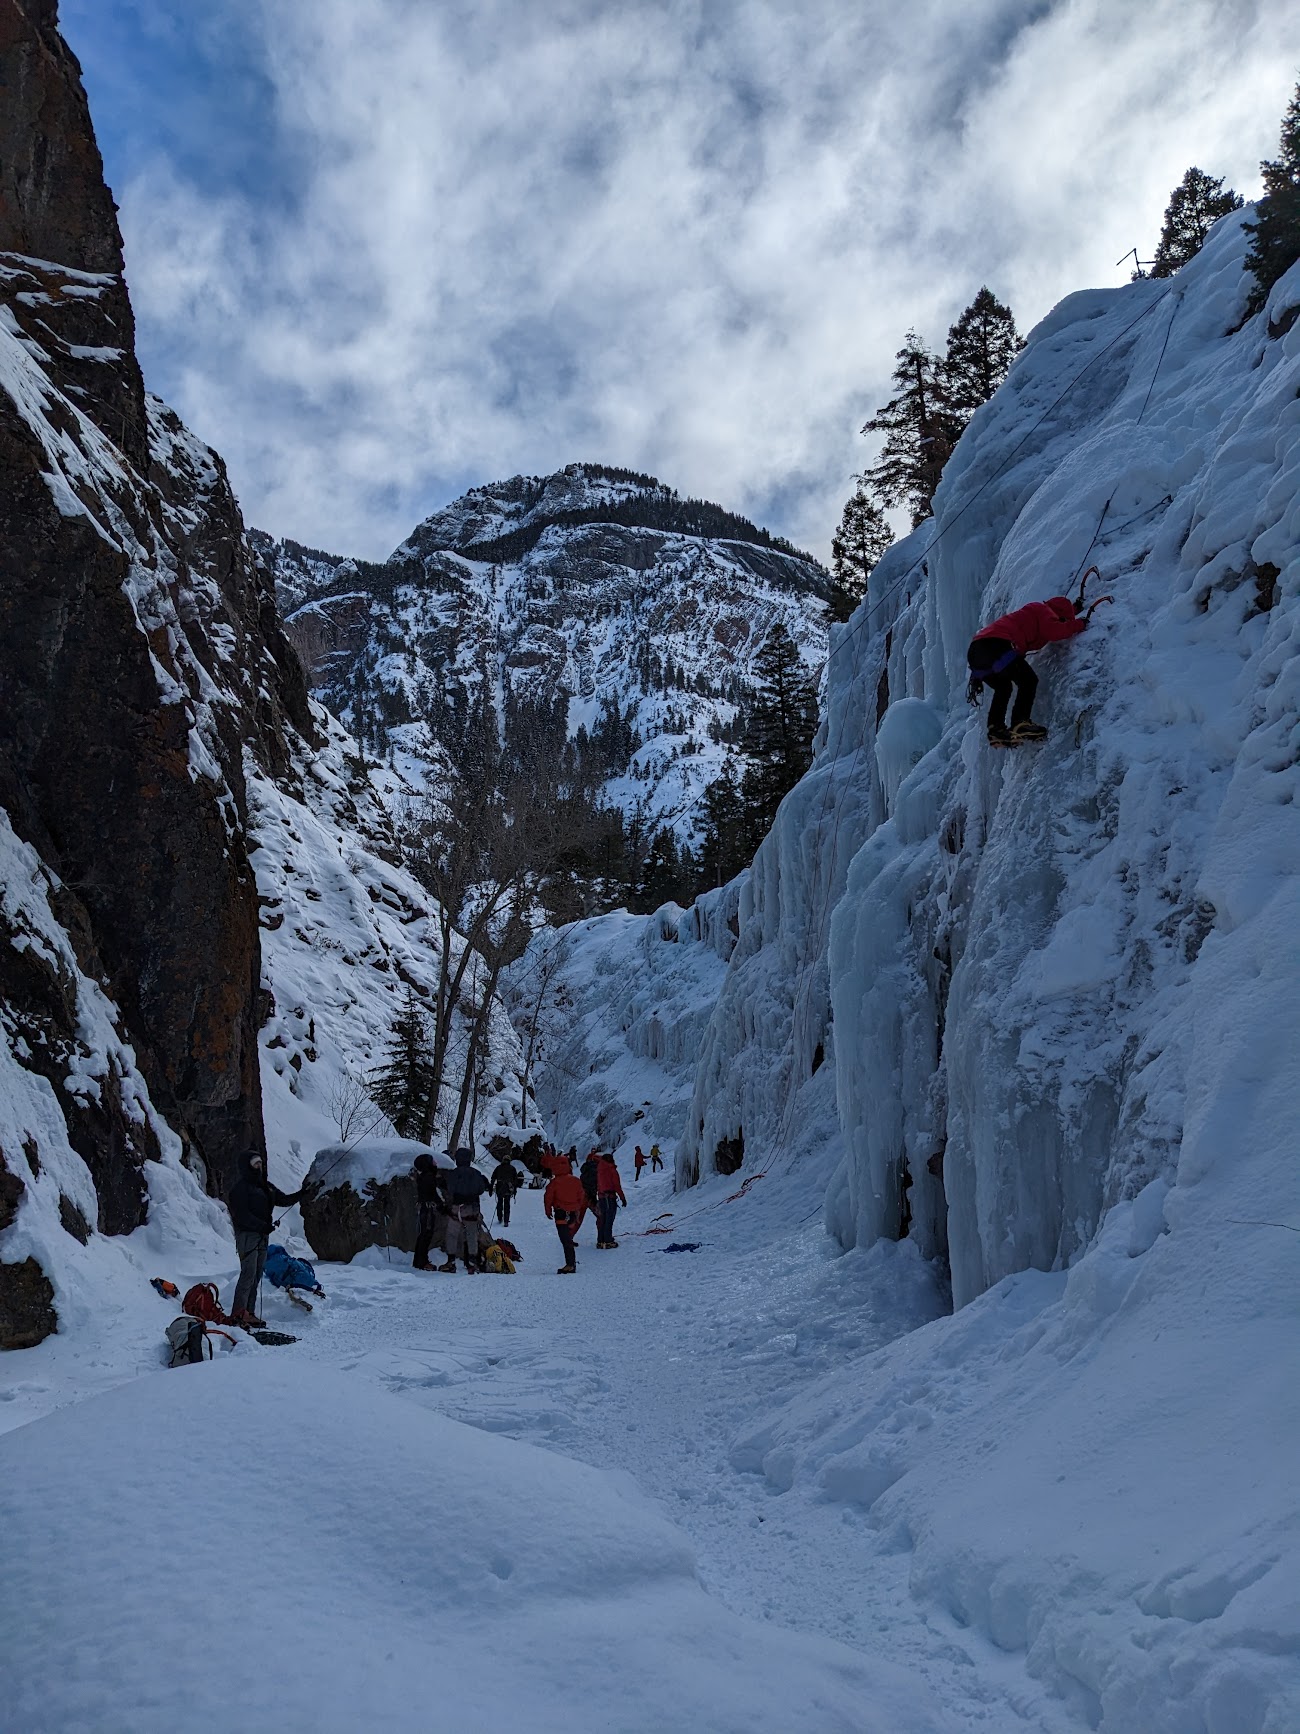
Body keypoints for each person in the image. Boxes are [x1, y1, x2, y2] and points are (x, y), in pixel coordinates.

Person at [967, 595, 1087, 747]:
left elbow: (1056, 621)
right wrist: (1079, 624)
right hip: (996, 646)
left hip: (977, 652)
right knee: (1028, 681)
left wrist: (1074, 610)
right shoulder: (1043, 610)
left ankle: (996, 729)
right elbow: (1055, 631)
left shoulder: (1038, 612)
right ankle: (1020, 722)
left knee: (1003, 688)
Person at [227, 1149, 303, 1326]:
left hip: (262, 1235)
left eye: (260, 1163)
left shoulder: (264, 1186)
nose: (259, 1166)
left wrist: (303, 1193)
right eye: (255, 1163)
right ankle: (238, 1315)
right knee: (248, 1273)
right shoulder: (240, 1189)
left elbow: (283, 1200)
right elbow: (242, 1215)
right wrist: (263, 1226)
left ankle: (249, 1313)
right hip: (248, 1236)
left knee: (256, 1275)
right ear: (247, 1166)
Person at [442, 1148, 490, 1273]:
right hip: (472, 1208)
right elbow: (481, 1189)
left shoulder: (453, 1174)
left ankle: (451, 1261)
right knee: (471, 1234)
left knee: (452, 1234)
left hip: (456, 1207)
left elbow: (449, 1188)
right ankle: (471, 1261)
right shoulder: (476, 1173)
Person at [544, 1166, 589, 1274]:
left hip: (561, 1213)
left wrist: (548, 1210)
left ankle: (570, 1265)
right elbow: (581, 1195)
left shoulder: (555, 1182)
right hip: (573, 1213)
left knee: (565, 1239)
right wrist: (577, 1207)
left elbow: (548, 1197)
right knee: (568, 1237)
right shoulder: (576, 1180)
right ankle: (571, 1263)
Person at [411, 1152, 449, 1271]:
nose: (435, 1163)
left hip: (424, 1208)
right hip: (427, 1209)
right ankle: (422, 1262)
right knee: (426, 1234)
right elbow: (432, 1194)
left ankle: (419, 1261)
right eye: (432, 1161)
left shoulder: (424, 1176)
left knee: (423, 1234)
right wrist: (441, 1206)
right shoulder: (428, 1177)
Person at [595, 1152, 627, 1249]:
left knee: (602, 1219)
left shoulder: (599, 1169)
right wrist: (622, 1198)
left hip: (601, 1197)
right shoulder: (612, 1170)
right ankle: (608, 1240)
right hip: (609, 1197)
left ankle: (600, 1240)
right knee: (609, 1219)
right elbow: (617, 1186)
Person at [491, 1155, 520, 1226]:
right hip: (508, 1188)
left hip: (500, 1188)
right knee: (507, 1204)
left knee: (499, 1202)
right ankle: (506, 1221)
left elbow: (493, 1178)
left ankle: (500, 1217)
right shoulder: (512, 1169)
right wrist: (515, 1190)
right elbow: (516, 1181)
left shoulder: (498, 1168)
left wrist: (491, 1187)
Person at [580, 1149, 600, 1214]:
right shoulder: (596, 1164)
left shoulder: (588, 1164)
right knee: (592, 1199)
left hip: (585, 1186)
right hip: (592, 1187)